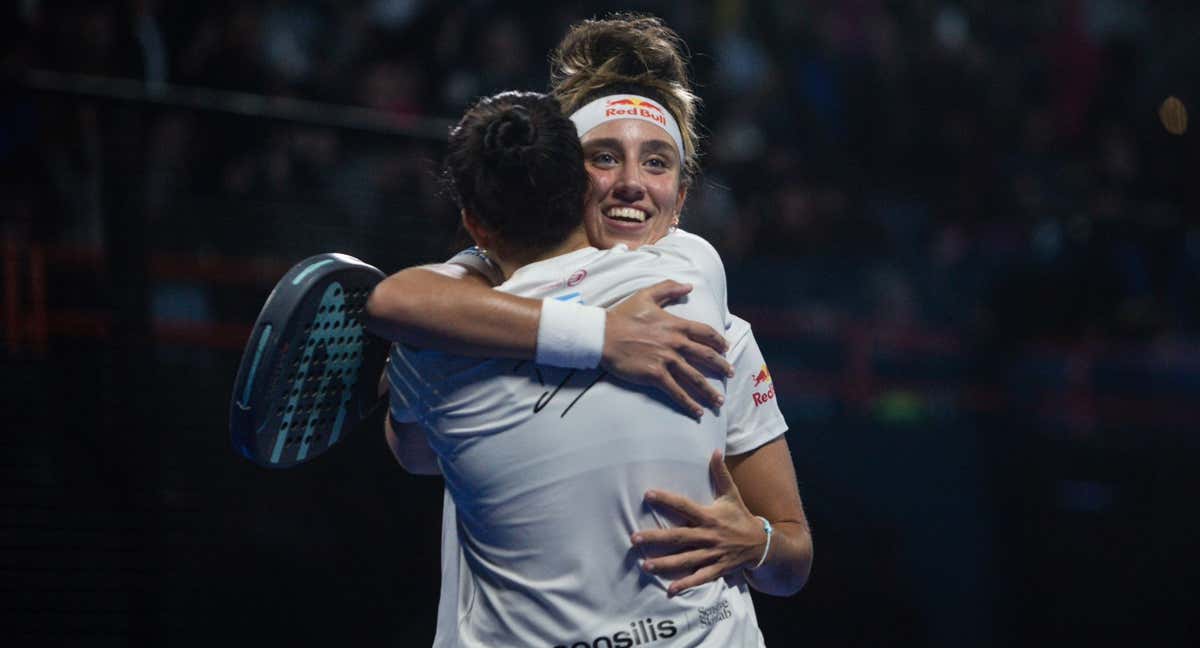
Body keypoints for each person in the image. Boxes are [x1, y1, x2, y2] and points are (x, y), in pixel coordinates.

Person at [368, 13, 812, 644]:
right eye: (604, 158)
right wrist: (600, 335)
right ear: (563, 179)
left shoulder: (701, 296)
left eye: (656, 163)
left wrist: (758, 542)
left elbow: (793, 563)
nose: (631, 183)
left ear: (681, 200)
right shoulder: (459, 311)